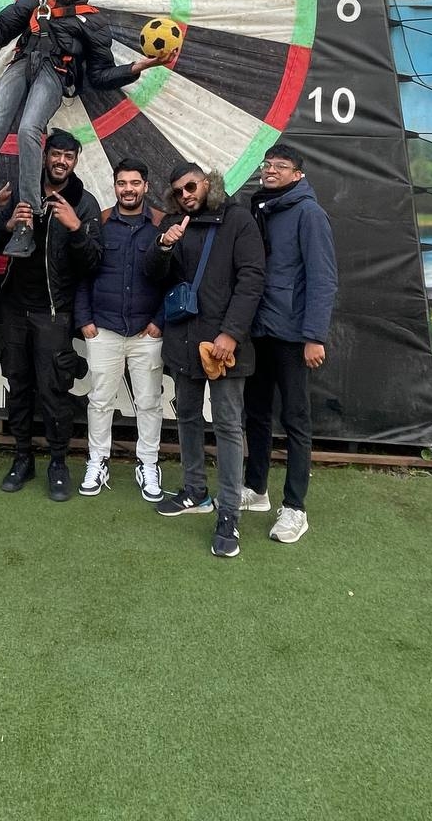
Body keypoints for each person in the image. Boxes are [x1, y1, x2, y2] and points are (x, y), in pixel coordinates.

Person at [0, 0, 171, 258]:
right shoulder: (38, 0)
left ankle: (27, 221)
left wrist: (136, 67)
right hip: (22, 63)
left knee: (29, 130)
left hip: (55, 72)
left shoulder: (94, 21)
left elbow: (99, 76)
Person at [145, 163, 265, 558]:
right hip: (184, 341)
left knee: (228, 426)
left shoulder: (239, 220)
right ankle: (195, 491)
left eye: (191, 186)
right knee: (187, 417)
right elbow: (154, 276)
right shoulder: (173, 223)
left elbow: (252, 280)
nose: (186, 195)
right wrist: (163, 245)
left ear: (208, 183)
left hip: (225, 345)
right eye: (178, 191)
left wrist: (231, 334)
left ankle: (229, 512)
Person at [0, 129, 102, 501]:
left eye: (68, 156)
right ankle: (22, 458)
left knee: (54, 392)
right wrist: (7, 224)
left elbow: (94, 262)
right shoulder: (25, 190)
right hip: (14, 309)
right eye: (56, 154)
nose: (61, 161)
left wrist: (75, 228)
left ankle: (58, 463)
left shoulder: (84, 203)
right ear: (45, 155)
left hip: (54, 314)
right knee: (18, 387)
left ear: (76, 161)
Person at [242, 143, 338, 544]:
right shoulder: (261, 208)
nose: (271, 171)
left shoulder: (309, 214)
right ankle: (256, 489)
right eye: (267, 164)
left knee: (296, 421)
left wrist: (314, 336)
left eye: (281, 166)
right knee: (256, 413)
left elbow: (323, 278)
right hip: (260, 331)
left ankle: (295, 508)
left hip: (293, 337)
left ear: (298, 175)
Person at [74, 157, 167, 502]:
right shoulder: (99, 223)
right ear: (114, 186)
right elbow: (84, 272)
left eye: (135, 183)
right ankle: (97, 460)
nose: (128, 189)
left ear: (146, 186)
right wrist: (85, 321)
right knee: (100, 401)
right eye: (122, 183)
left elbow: (174, 279)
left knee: (149, 403)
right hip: (105, 330)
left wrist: (159, 323)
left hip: (146, 333)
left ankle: (148, 463)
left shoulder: (160, 225)